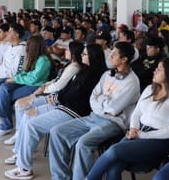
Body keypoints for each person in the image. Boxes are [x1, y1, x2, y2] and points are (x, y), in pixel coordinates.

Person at [4, 44, 106, 180]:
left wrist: (56, 98)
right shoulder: (84, 70)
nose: (82, 56)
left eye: (85, 54)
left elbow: (76, 94)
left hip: (73, 111)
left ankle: (24, 168)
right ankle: (21, 155)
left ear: (93, 57)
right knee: (28, 115)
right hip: (65, 106)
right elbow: (68, 89)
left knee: (32, 125)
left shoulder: (94, 75)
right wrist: (55, 97)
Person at [47, 42, 140, 180]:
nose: (111, 56)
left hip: (113, 124)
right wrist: (104, 104)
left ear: (124, 59)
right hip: (93, 116)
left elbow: (114, 109)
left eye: (114, 54)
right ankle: (60, 177)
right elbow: (93, 98)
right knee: (56, 132)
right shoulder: (107, 74)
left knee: (83, 143)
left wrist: (101, 101)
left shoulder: (132, 82)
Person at [86, 57, 169, 180]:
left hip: (159, 141)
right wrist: (134, 129)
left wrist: (141, 135)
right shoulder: (150, 89)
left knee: (114, 151)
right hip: (138, 132)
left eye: (159, 69)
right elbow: (136, 113)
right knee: (114, 165)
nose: (154, 71)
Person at [0, 35, 53, 136]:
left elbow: (34, 78)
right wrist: (15, 78)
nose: (26, 48)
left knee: (5, 96)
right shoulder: (35, 57)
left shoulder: (44, 60)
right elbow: (26, 73)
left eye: (28, 45)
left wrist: (15, 79)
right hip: (26, 82)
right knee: (4, 87)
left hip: (35, 86)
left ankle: (5, 125)